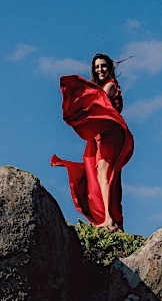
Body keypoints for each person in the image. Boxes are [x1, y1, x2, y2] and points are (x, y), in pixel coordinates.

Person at [50, 53, 134, 232]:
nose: (100, 69)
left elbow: (99, 103)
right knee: (98, 176)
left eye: (103, 66)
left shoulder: (110, 85)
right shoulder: (101, 87)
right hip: (100, 136)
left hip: (110, 135)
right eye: (96, 67)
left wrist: (78, 110)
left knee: (104, 175)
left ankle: (109, 219)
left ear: (110, 68)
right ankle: (109, 218)